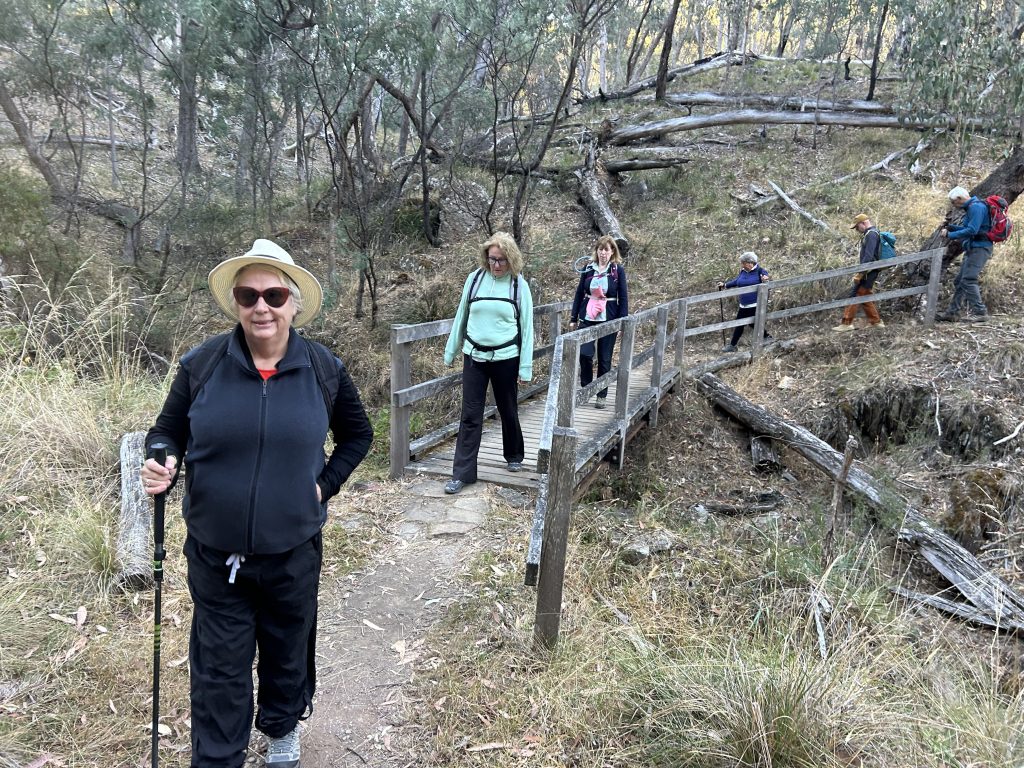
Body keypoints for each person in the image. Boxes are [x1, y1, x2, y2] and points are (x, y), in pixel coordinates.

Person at [141, 239, 373, 768]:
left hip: (293, 549)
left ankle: (281, 730)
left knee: (287, 649)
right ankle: (220, 758)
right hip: (214, 551)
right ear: (237, 304)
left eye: (272, 294)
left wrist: (322, 485)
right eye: (248, 295)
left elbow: (358, 437)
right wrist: (163, 460)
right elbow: (167, 432)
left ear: (293, 302)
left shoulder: (323, 368)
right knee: (219, 667)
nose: (260, 306)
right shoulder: (201, 365)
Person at [443, 231, 534, 494]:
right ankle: (462, 473)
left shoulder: (519, 286)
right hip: (474, 357)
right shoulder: (474, 280)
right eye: (492, 259)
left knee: (507, 408)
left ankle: (514, 455)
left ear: (511, 260)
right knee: (470, 415)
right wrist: (451, 351)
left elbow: (527, 329)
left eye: (501, 260)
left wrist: (525, 367)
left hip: (506, 358)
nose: (496, 265)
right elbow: (461, 316)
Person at [569, 235, 630, 409]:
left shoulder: (617, 270)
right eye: (600, 249)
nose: (603, 253)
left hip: (608, 317)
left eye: (607, 249)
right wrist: (574, 317)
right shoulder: (588, 268)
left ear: (612, 252)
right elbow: (580, 293)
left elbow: (623, 297)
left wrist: (622, 321)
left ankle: (601, 394)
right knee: (584, 353)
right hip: (587, 316)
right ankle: (587, 387)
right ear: (597, 251)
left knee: (605, 358)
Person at [937, 185, 993, 322]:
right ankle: (952, 313)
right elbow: (969, 228)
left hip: (980, 248)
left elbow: (972, 230)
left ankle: (980, 313)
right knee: (959, 281)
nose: (953, 205)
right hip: (973, 247)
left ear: (959, 198)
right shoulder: (972, 207)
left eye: (953, 202)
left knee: (968, 279)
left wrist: (950, 234)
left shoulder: (976, 207)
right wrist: (952, 227)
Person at [833, 213, 886, 332]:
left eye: (857, 227)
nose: (857, 230)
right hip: (870, 271)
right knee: (864, 295)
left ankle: (847, 323)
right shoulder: (872, 233)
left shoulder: (871, 234)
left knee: (856, 294)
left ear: (863, 223)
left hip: (869, 271)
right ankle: (876, 323)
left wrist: (860, 273)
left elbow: (869, 256)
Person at [717, 252, 772, 352]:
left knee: (752, 323)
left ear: (750, 263)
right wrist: (725, 285)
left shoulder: (759, 270)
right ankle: (733, 346)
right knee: (740, 324)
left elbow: (765, 277)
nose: (742, 265)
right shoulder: (743, 272)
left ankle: (766, 337)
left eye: (743, 263)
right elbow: (736, 281)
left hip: (755, 304)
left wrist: (765, 278)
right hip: (743, 305)